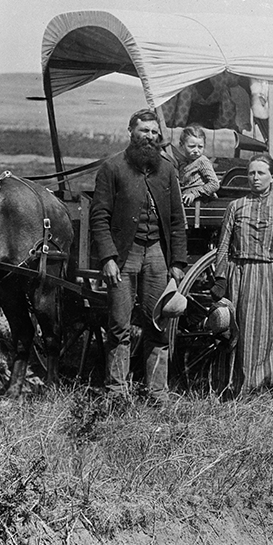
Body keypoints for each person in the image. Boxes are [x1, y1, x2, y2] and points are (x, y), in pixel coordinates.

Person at [90, 108, 188, 405]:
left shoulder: (167, 170)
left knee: (157, 325)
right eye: (144, 131)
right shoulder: (112, 168)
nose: (149, 137)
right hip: (124, 255)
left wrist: (178, 262)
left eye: (154, 132)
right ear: (131, 131)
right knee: (119, 326)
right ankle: (116, 393)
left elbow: (176, 219)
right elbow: (99, 217)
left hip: (157, 254)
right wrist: (107, 257)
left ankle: (158, 393)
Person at [210, 154, 273, 399]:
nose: (255, 178)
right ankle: (238, 387)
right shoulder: (236, 207)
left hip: (270, 277)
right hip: (241, 276)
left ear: (272, 177)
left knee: (271, 333)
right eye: (251, 173)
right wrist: (221, 278)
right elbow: (224, 246)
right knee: (242, 332)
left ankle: (271, 388)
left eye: (260, 173)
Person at [178, 125, 220, 206]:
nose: (196, 151)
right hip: (186, 201)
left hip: (201, 202)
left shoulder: (202, 161)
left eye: (200, 147)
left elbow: (214, 184)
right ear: (181, 145)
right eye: (192, 146)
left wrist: (194, 193)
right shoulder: (183, 162)